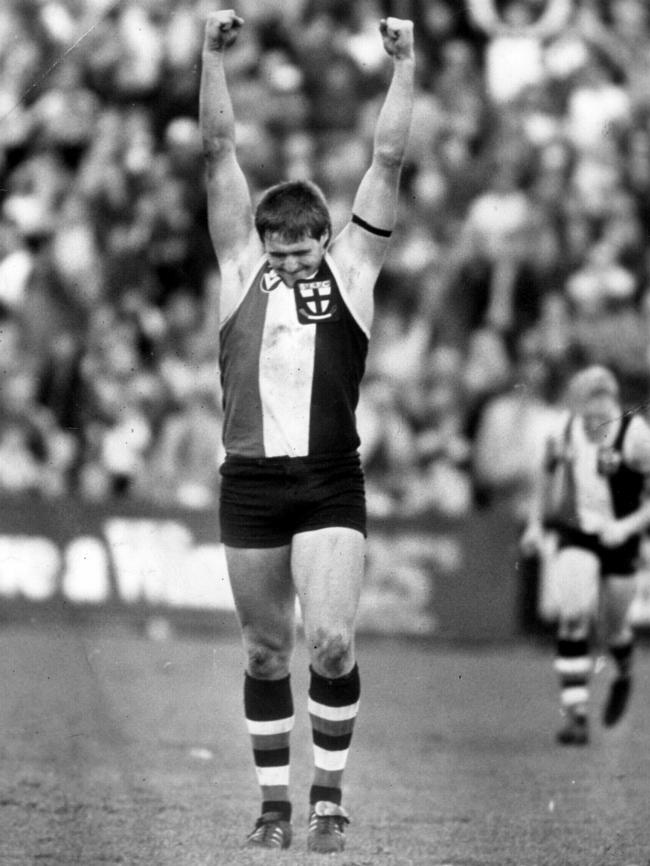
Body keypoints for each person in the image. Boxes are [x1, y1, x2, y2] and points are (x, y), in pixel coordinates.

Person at [199, 8, 414, 853]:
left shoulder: (355, 270)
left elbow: (388, 159)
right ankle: (272, 807)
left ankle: (328, 799)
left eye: (301, 251)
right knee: (262, 654)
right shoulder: (238, 269)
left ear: (327, 239)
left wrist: (405, 68)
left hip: (328, 480)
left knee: (328, 641)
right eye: (277, 251)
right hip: (249, 483)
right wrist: (210, 57)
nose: (287, 263)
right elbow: (218, 153)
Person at [521, 365, 650, 746]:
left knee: (614, 629)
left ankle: (625, 673)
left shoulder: (636, 436)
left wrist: (626, 528)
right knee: (574, 614)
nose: (593, 418)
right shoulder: (565, 430)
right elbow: (544, 475)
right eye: (586, 409)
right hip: (577, 531)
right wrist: (534, 523)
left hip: (621, 536)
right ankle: (575, 714)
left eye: (601, 408)